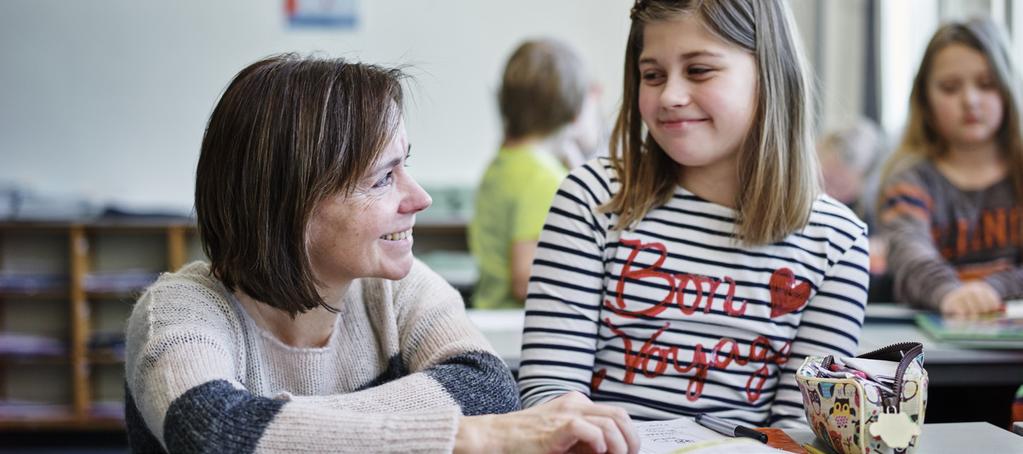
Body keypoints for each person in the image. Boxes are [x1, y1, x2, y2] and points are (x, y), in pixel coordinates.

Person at [124, 54, 638, 454]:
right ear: (289, 202)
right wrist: (473, 439)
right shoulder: (177, 312)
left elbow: (487, 389)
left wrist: (283, 426)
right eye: (382, 177)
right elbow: (217, 434)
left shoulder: (398, 287)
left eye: (405, 166)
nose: (419, 198)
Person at [517, 0, 869, 430]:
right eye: (652, 75)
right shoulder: (591, 199)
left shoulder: (837, 242)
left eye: (699, 70)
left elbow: (799, 431)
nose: (671, 96)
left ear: (770, 74)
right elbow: (552, 403)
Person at [877, 18, 1023, 317]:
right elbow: (909, 252)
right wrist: (949, 294)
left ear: (1008, 90)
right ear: (925, 100)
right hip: (935, 350)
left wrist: (993, 288)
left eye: (986, 84)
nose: (970, 100)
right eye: (950, 88)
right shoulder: (909, 181)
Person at [469, 38, 602, 309]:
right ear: (575, 111)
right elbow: (525, 281)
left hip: (490, 316)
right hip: (517, 331)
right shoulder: (543, 178)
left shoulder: (501, 165)